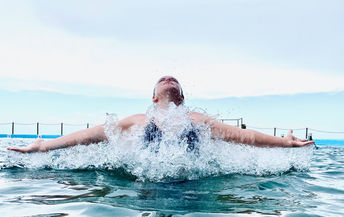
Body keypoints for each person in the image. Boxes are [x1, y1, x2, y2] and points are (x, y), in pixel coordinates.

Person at [7, 76, 314, 153]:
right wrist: (44, 145)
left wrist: (284, 143)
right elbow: (91, 135)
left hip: (191, 188)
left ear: (181, 97)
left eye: (174, 79)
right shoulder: (138, 120)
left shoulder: (197, 119)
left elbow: (244, 137)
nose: (169, 78)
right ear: (154, 96)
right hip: (145, 189)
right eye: (163, 78)